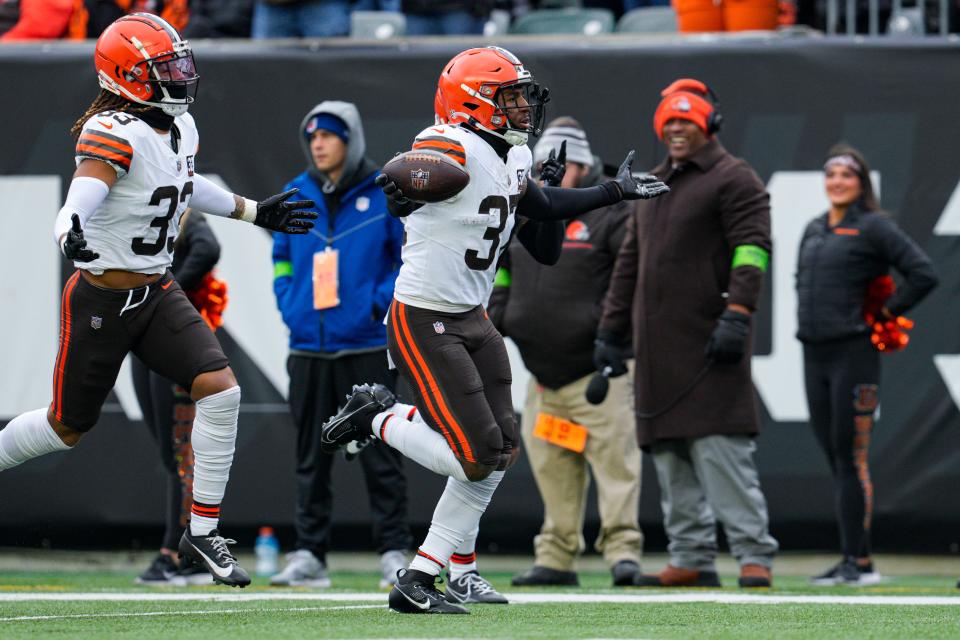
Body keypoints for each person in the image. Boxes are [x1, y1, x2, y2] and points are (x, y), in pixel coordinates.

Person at [319, 45, 669, 614]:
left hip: (472, 318)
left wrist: (614, 191)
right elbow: (407, 170)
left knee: (500, 450)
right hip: (424, 317)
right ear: (475, 101)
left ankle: (428, 575)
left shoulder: (512, 156)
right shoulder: (451, 142)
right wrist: (404, 184)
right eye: (509, 96)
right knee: (474, 454)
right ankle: (378, 419)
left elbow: (542, 217)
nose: (523, 106)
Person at [0, 13, 316, 588]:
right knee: (65, 426)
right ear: (127, 76)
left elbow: (182, 182)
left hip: (157, 289)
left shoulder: (181, 127)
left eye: (178, 63)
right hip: (101, 297)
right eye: (163, 68)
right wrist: (69, 228)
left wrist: (253, 211)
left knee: (221, 390)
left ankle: (201, 531)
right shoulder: (112, 131)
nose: (179, 76)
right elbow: (81, 199)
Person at [597, 77, 778, 589]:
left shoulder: (734, 177)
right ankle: (692, 556)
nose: (676, 129)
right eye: (669, 122)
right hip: (656, 351)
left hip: (709, 341)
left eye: (687, 121)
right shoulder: (652, 183)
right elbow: (628, 263)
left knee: (721, 452)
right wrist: (610, 331)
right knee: (671, 454)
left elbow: (753, 249)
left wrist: (738, 313)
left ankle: (752, 553)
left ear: (708, 125)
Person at [488, 117, 643, 588]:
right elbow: (504, 268)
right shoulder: (528, 211)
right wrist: (500, 316)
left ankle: (623, 553)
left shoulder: (610, 212)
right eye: (541, 165)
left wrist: (610, 339)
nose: (548, 172)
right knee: (552, 466)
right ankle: (556, 556)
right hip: (544, 375)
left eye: (561, 164)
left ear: (585, 164)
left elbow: (626, 281)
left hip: (597, 372)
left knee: (616, 465)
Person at [269, 101, 412, 589]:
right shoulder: (296, 191)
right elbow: (281, 258)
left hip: (366, 346)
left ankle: (394, 552)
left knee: (380, 455)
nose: (319, 144)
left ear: (351, 141)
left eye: (329, 135)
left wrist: (375, 303)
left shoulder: (384, 191)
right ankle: (309, 555)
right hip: (308, 346)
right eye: (312, 137)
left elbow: (405, 260)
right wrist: (290, 304)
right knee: (310, 456)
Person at [798, 144, 937, 586]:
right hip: (813, 353)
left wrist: (885, 314)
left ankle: (858, 563)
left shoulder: (874, 227)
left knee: (850, 456)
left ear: (862, 184)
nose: (837, 181)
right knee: (833, 455)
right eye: (831, 173)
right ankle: (852, 559)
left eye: (847, 174)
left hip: (854, 355)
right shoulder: (814, 229)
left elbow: (923, 273)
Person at [133, 210, 224, 587]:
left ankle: (178, 552)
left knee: (182, 456)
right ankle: (188, 553)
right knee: (171, 456)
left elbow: (208, 247)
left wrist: (166, 293)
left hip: (173, 343)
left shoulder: (179, 207)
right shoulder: (135, 210)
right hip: (145, 342)